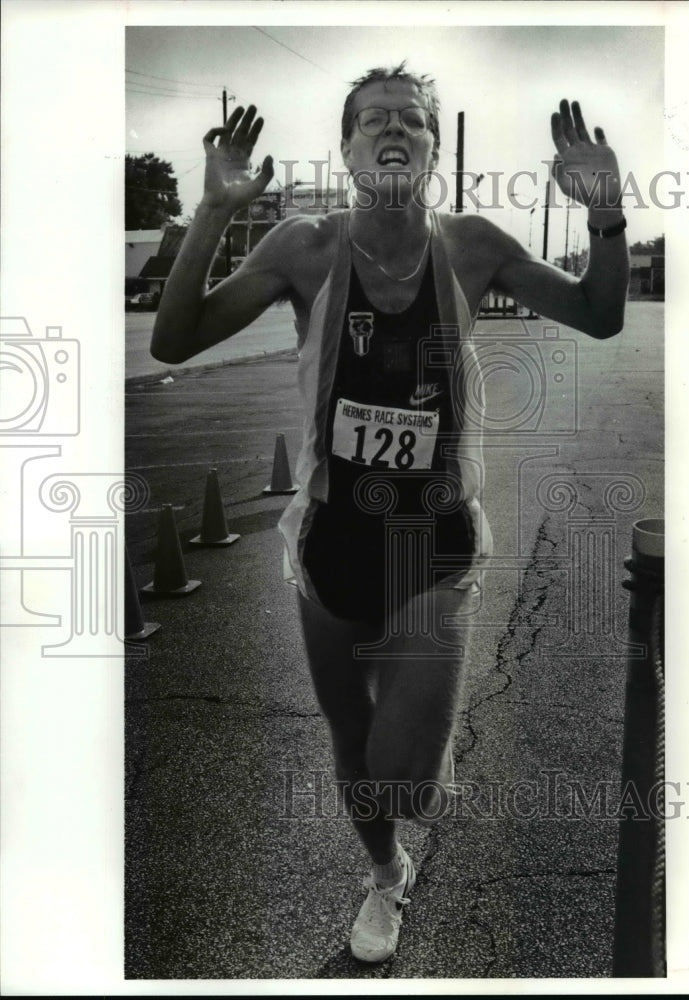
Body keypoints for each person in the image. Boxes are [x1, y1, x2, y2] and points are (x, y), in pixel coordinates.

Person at [151, 63, 628, 964]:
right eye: (373, 119)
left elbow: (600, 316)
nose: (393, 127)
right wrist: (212, 213)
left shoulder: (474, 246)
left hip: (433, 541)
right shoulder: (306, 248)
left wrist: (604, 216)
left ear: (437, 146)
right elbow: (173, 342)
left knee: (404, 771)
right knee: (352, 738)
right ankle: (385, 874)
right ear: (347, 147)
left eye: (412, 117)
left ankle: (411, 757)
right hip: (331, 539)